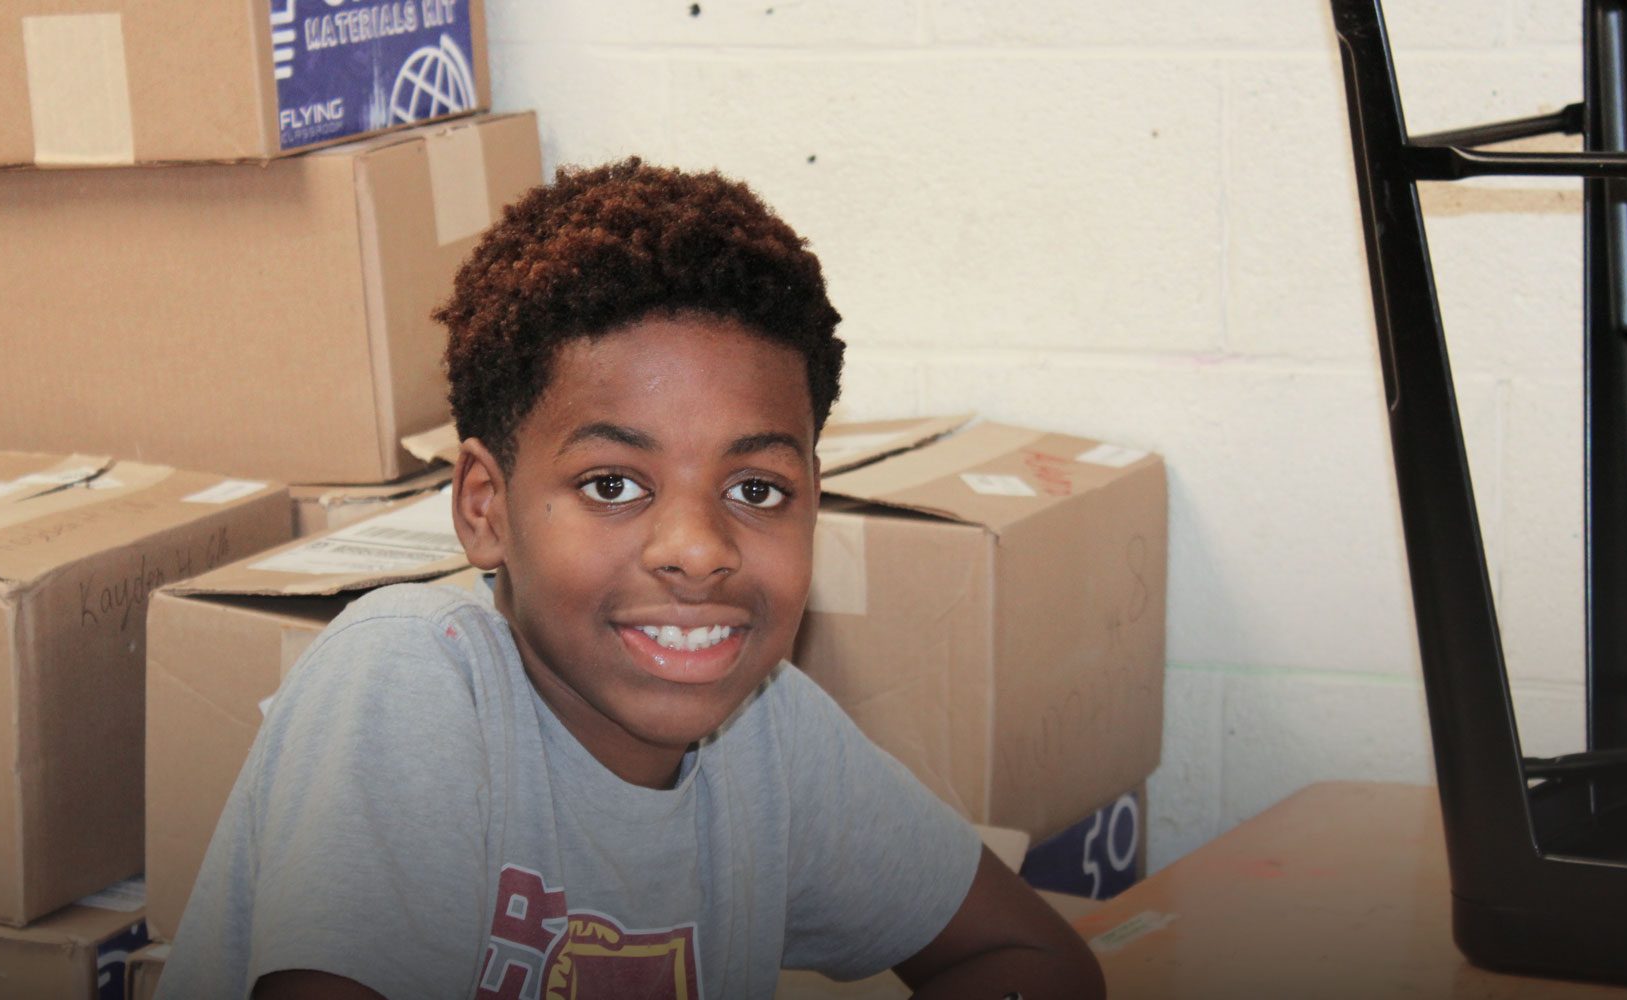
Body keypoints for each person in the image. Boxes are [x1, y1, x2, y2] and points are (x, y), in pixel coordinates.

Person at [158, 159, 1104, 999]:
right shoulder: (414, 677)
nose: (698, 548)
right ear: (485, 507)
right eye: (613, 485)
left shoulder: (768, 737)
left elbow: (1033, 961)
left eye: (756, 488)